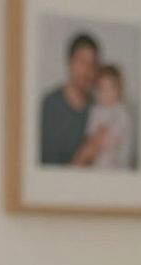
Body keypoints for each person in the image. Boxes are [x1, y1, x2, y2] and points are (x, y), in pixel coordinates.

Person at [39, 30, 99, 166]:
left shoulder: (99, 106)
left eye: (93, 64)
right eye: (82, 62)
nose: (88, 70)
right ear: (69, 62)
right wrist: (84, 155)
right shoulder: (49, 105)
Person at [76, 61, 136, 169]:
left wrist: (107, 136)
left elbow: (123, 133)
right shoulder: (96, 110)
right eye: (101, 88)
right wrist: (96, 136)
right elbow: (90, 133)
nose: (105, 93)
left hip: (119, 159)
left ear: (119, 90)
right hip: (99, 160)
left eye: (110, 88)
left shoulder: (122, 111)